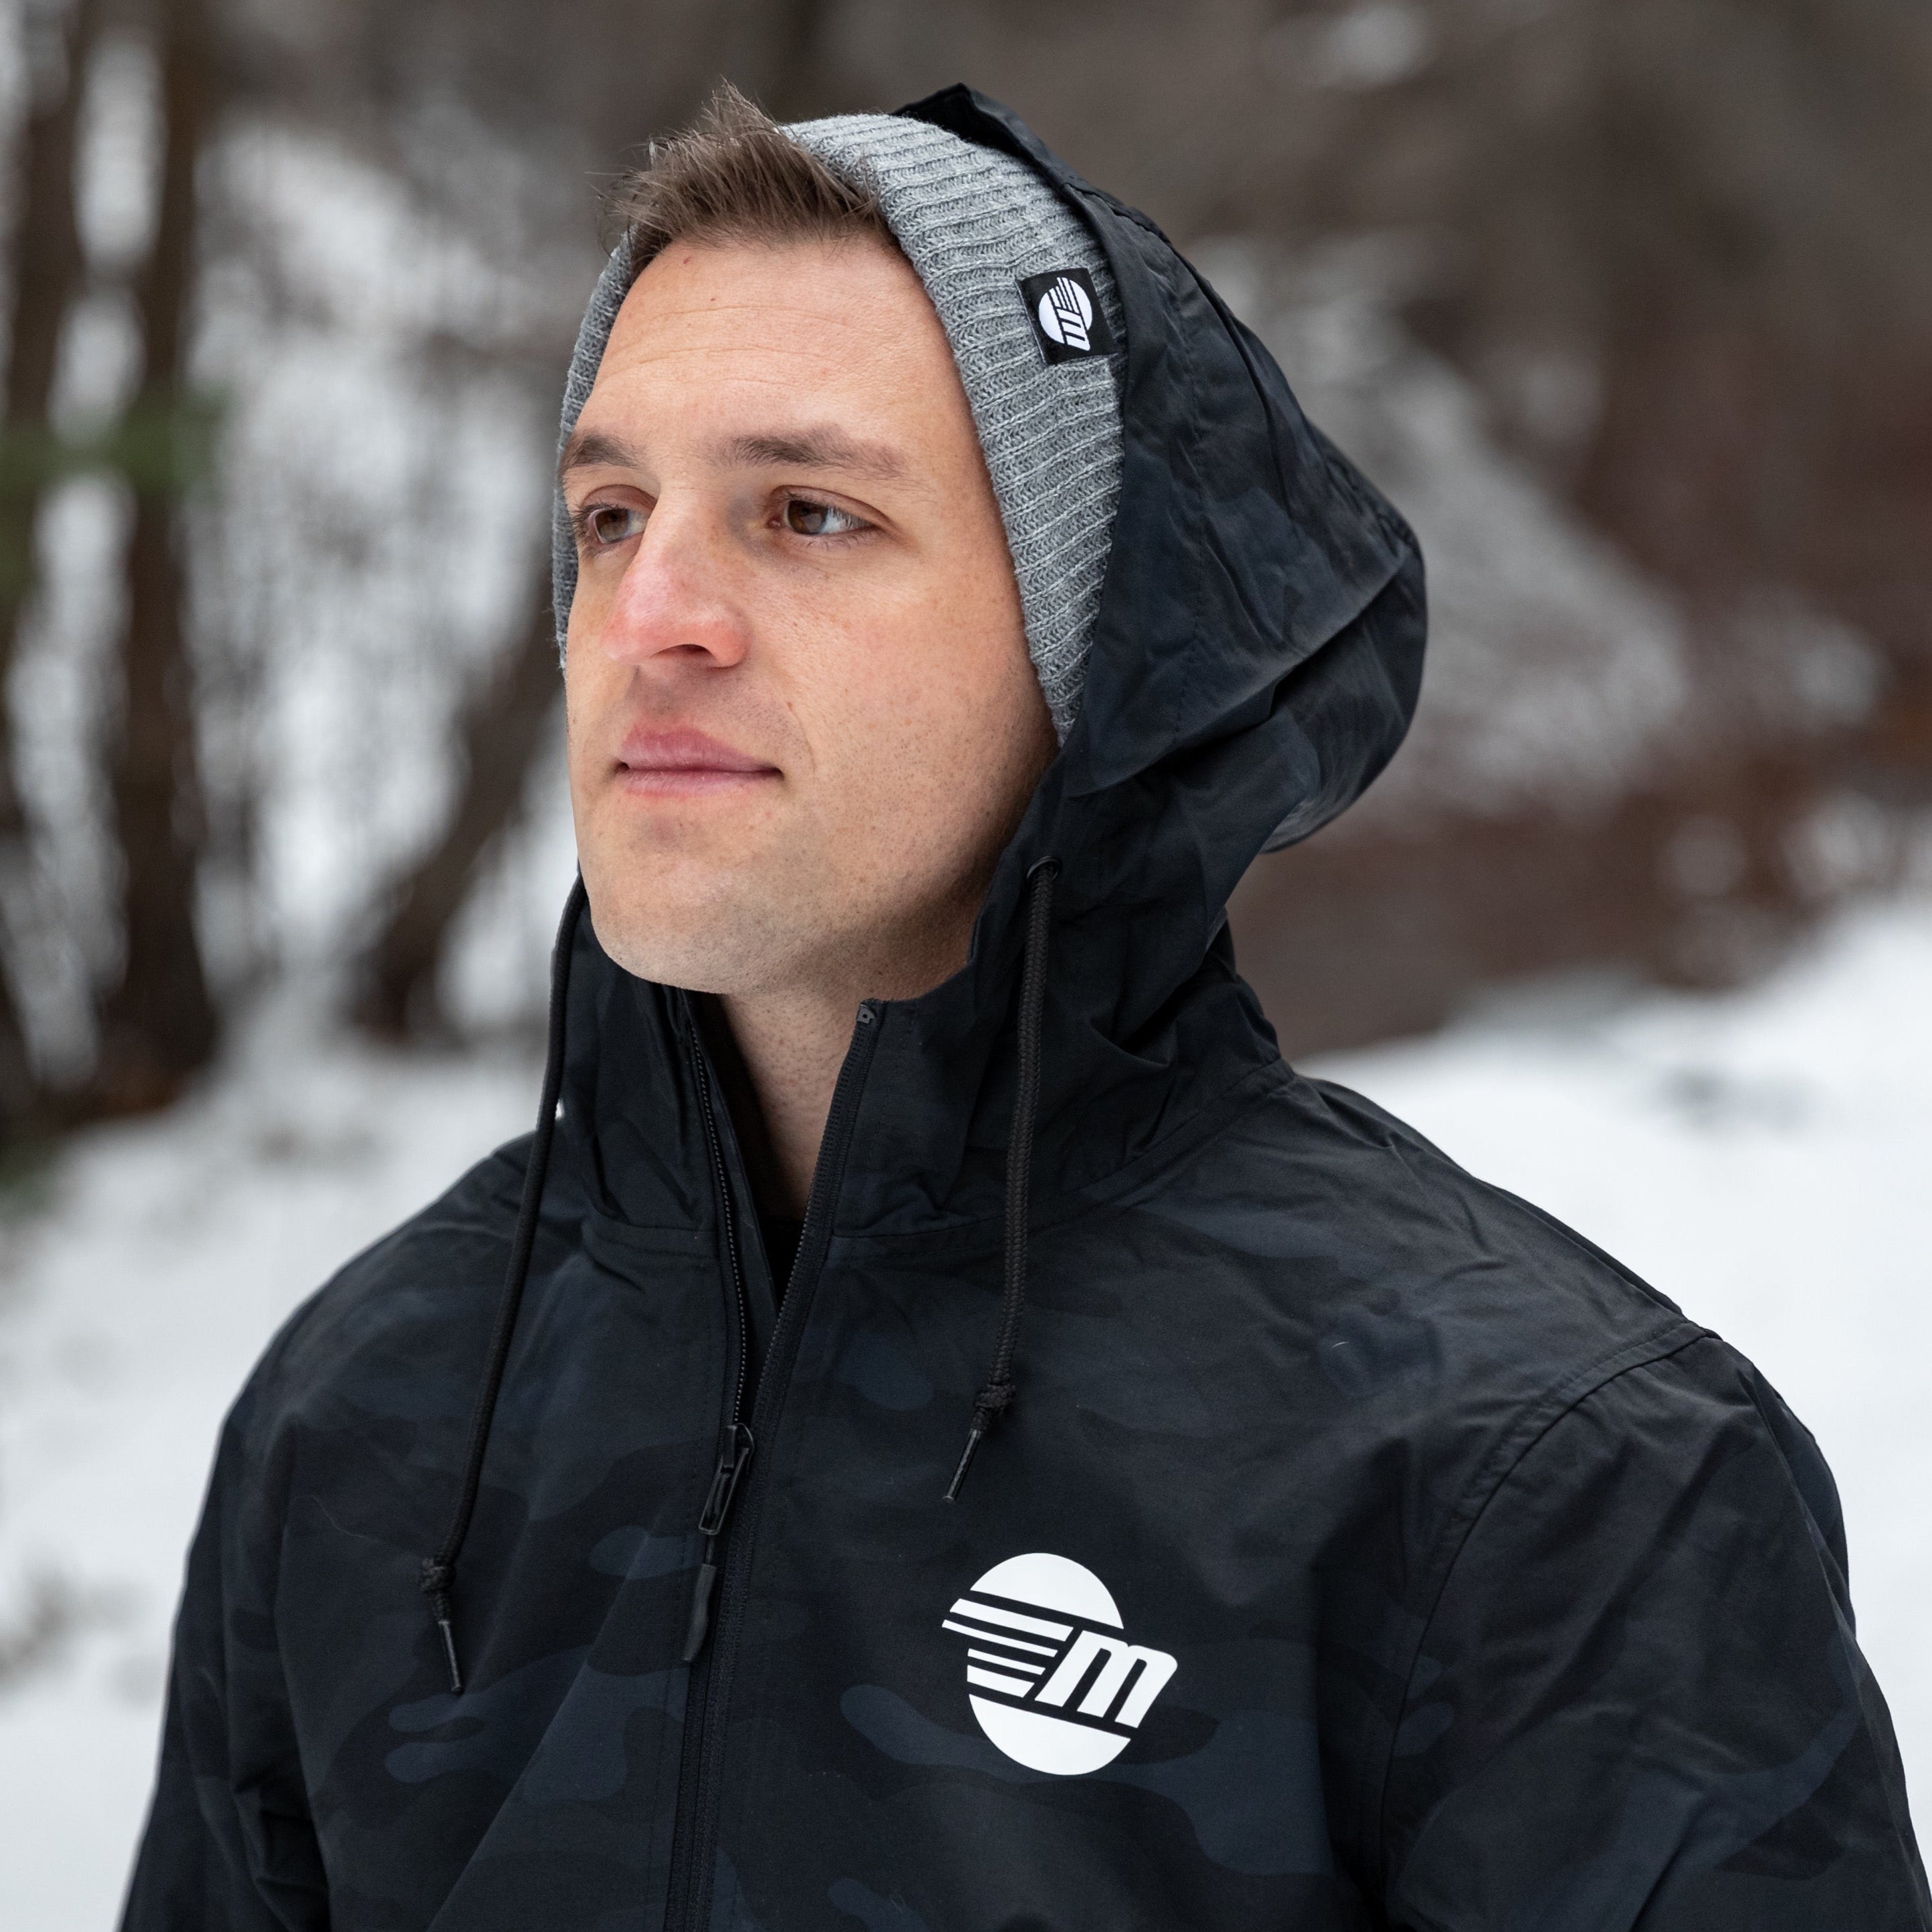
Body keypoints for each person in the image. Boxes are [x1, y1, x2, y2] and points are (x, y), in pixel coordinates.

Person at [122, 82, 1929, 1932]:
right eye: (608, 513)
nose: (651, 610)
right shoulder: (375, 1410)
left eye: (807, 513)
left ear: (1098, 652)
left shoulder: (1538, 1491)